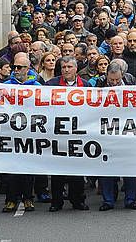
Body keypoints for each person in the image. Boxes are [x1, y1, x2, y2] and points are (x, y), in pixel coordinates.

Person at [96, 62, 136, 211]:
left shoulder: (130, 81)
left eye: (117, 80)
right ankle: (108, 200)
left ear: (122, 75)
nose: (114, 83)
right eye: (111, 80)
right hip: (107, 131)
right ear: (106, 76)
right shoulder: (99, 83)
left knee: (130, 167)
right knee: (106, 167)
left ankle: (130, 199)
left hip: (128, 131)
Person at [45, 57, 88, 211]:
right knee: (58, 169)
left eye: (70, 66)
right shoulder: (51, 85)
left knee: (77, 169)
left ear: (76, 68)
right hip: (58, 133)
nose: (66, 70)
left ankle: (78, 200)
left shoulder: (86, 85)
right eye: (63, 67)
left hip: (78, 133)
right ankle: (56, 202)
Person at [1, 52, 41, 212]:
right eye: (14, 67)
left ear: (28, 69)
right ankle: (11, 199)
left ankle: (28, 198)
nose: (16, 70)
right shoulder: (6, 85)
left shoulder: (37, 87)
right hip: (11, 132)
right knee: (11, 169)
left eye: (20, 67)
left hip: (30, 132)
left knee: (28, 168)